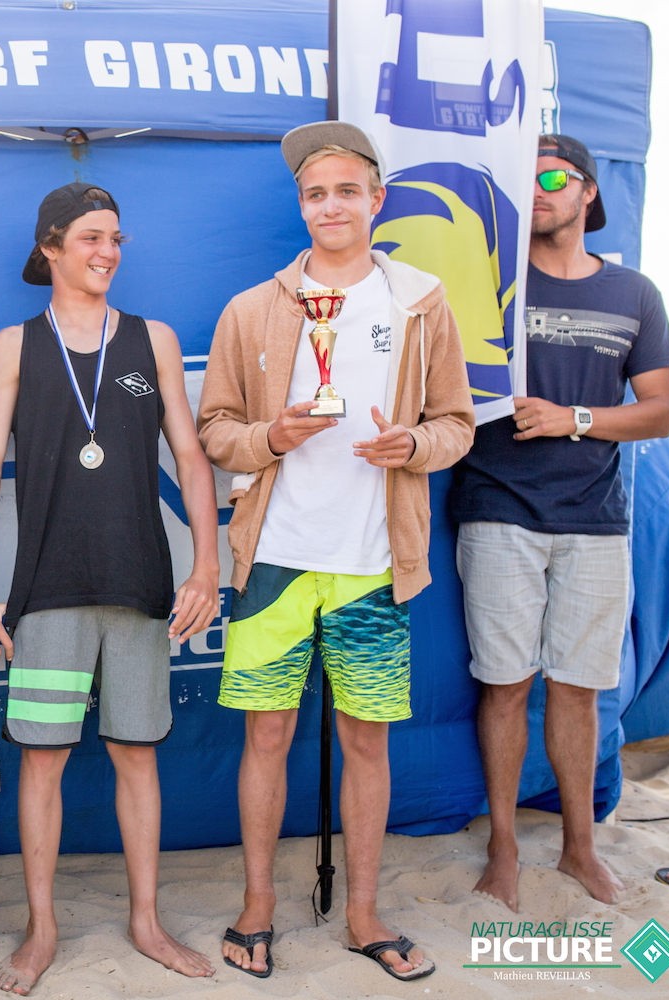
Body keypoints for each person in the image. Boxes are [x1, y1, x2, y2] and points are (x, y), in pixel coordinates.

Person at [198, 121, 474, 982]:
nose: (330, 205)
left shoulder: (420, 302)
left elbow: (457, 425)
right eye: (315, 193)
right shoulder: (252, 308)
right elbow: (214, 431)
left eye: (346, 190)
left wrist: (415, 450)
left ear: (374, 200)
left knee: (366, 745)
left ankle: (362, 915)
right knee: (267, 739)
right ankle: (255, 910)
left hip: (369, 565)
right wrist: (270, 437)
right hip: (274, 561)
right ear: (302, 206)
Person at [0, 181, 222, 995]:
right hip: (47, 587)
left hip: (141, 581)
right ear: (51, 247)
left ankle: (145, 920)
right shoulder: (14, 345)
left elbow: (189, 454)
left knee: (136, 755)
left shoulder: (152, 341)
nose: (106, 252)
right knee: (42, 761)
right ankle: (42, 931)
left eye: (115, 239)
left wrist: (206, 565)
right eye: (89, 239)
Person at [449, 134, 669, 911]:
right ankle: (505, 847)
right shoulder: (487, 287)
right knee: (506, 687)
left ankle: (581, 846)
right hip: (497, 506)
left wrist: (574, 417)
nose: (538, 188)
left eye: (553, 175)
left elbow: (661, 411)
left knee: (578, 691)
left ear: (587, 194)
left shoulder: (634, 293)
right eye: (526, 177)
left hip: (595, 520)